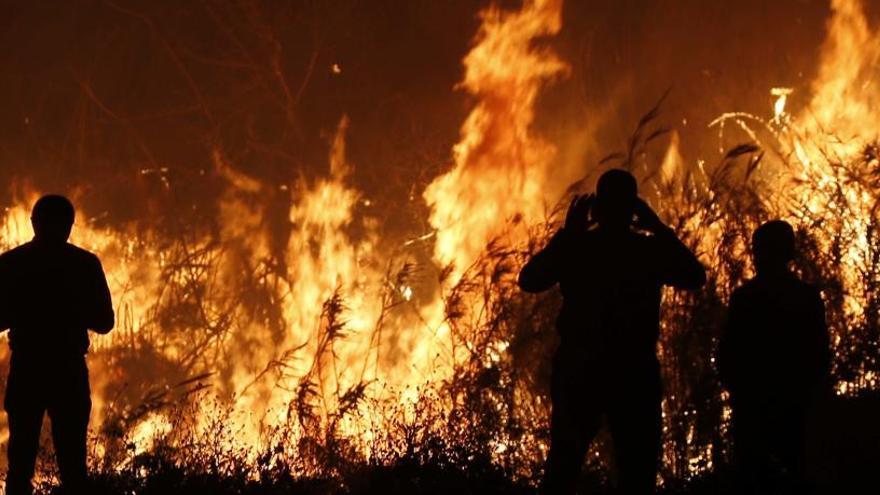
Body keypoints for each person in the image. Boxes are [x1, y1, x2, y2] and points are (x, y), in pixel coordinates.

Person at [519, 169, 705, 495]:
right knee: (637, 471)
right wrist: (658, 227)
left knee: (564, 464)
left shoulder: (580, 248)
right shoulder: (647, 251)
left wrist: (568, 234)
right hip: (633, 373)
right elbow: (693, 276)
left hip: (581, 370)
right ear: (634, 209)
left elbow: (531, 279)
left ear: (596, 209)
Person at [0, 195, 114, 495]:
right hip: (68, 371)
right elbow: (105, 322)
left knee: (20, 466)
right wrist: (71, 308)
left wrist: (24, 309)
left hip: (28, 369)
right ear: (70, 226)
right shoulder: (85, 264)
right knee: (74, 467)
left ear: (33, 223)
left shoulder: (11, 263)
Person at [718, 220, 830, 493]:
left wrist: (738, 391)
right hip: (793, 403)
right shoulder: (806, 297)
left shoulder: (745, 297)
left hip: (755, 404)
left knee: (755, 476)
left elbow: (727, 354)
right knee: (795, 471)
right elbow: (820, 354)